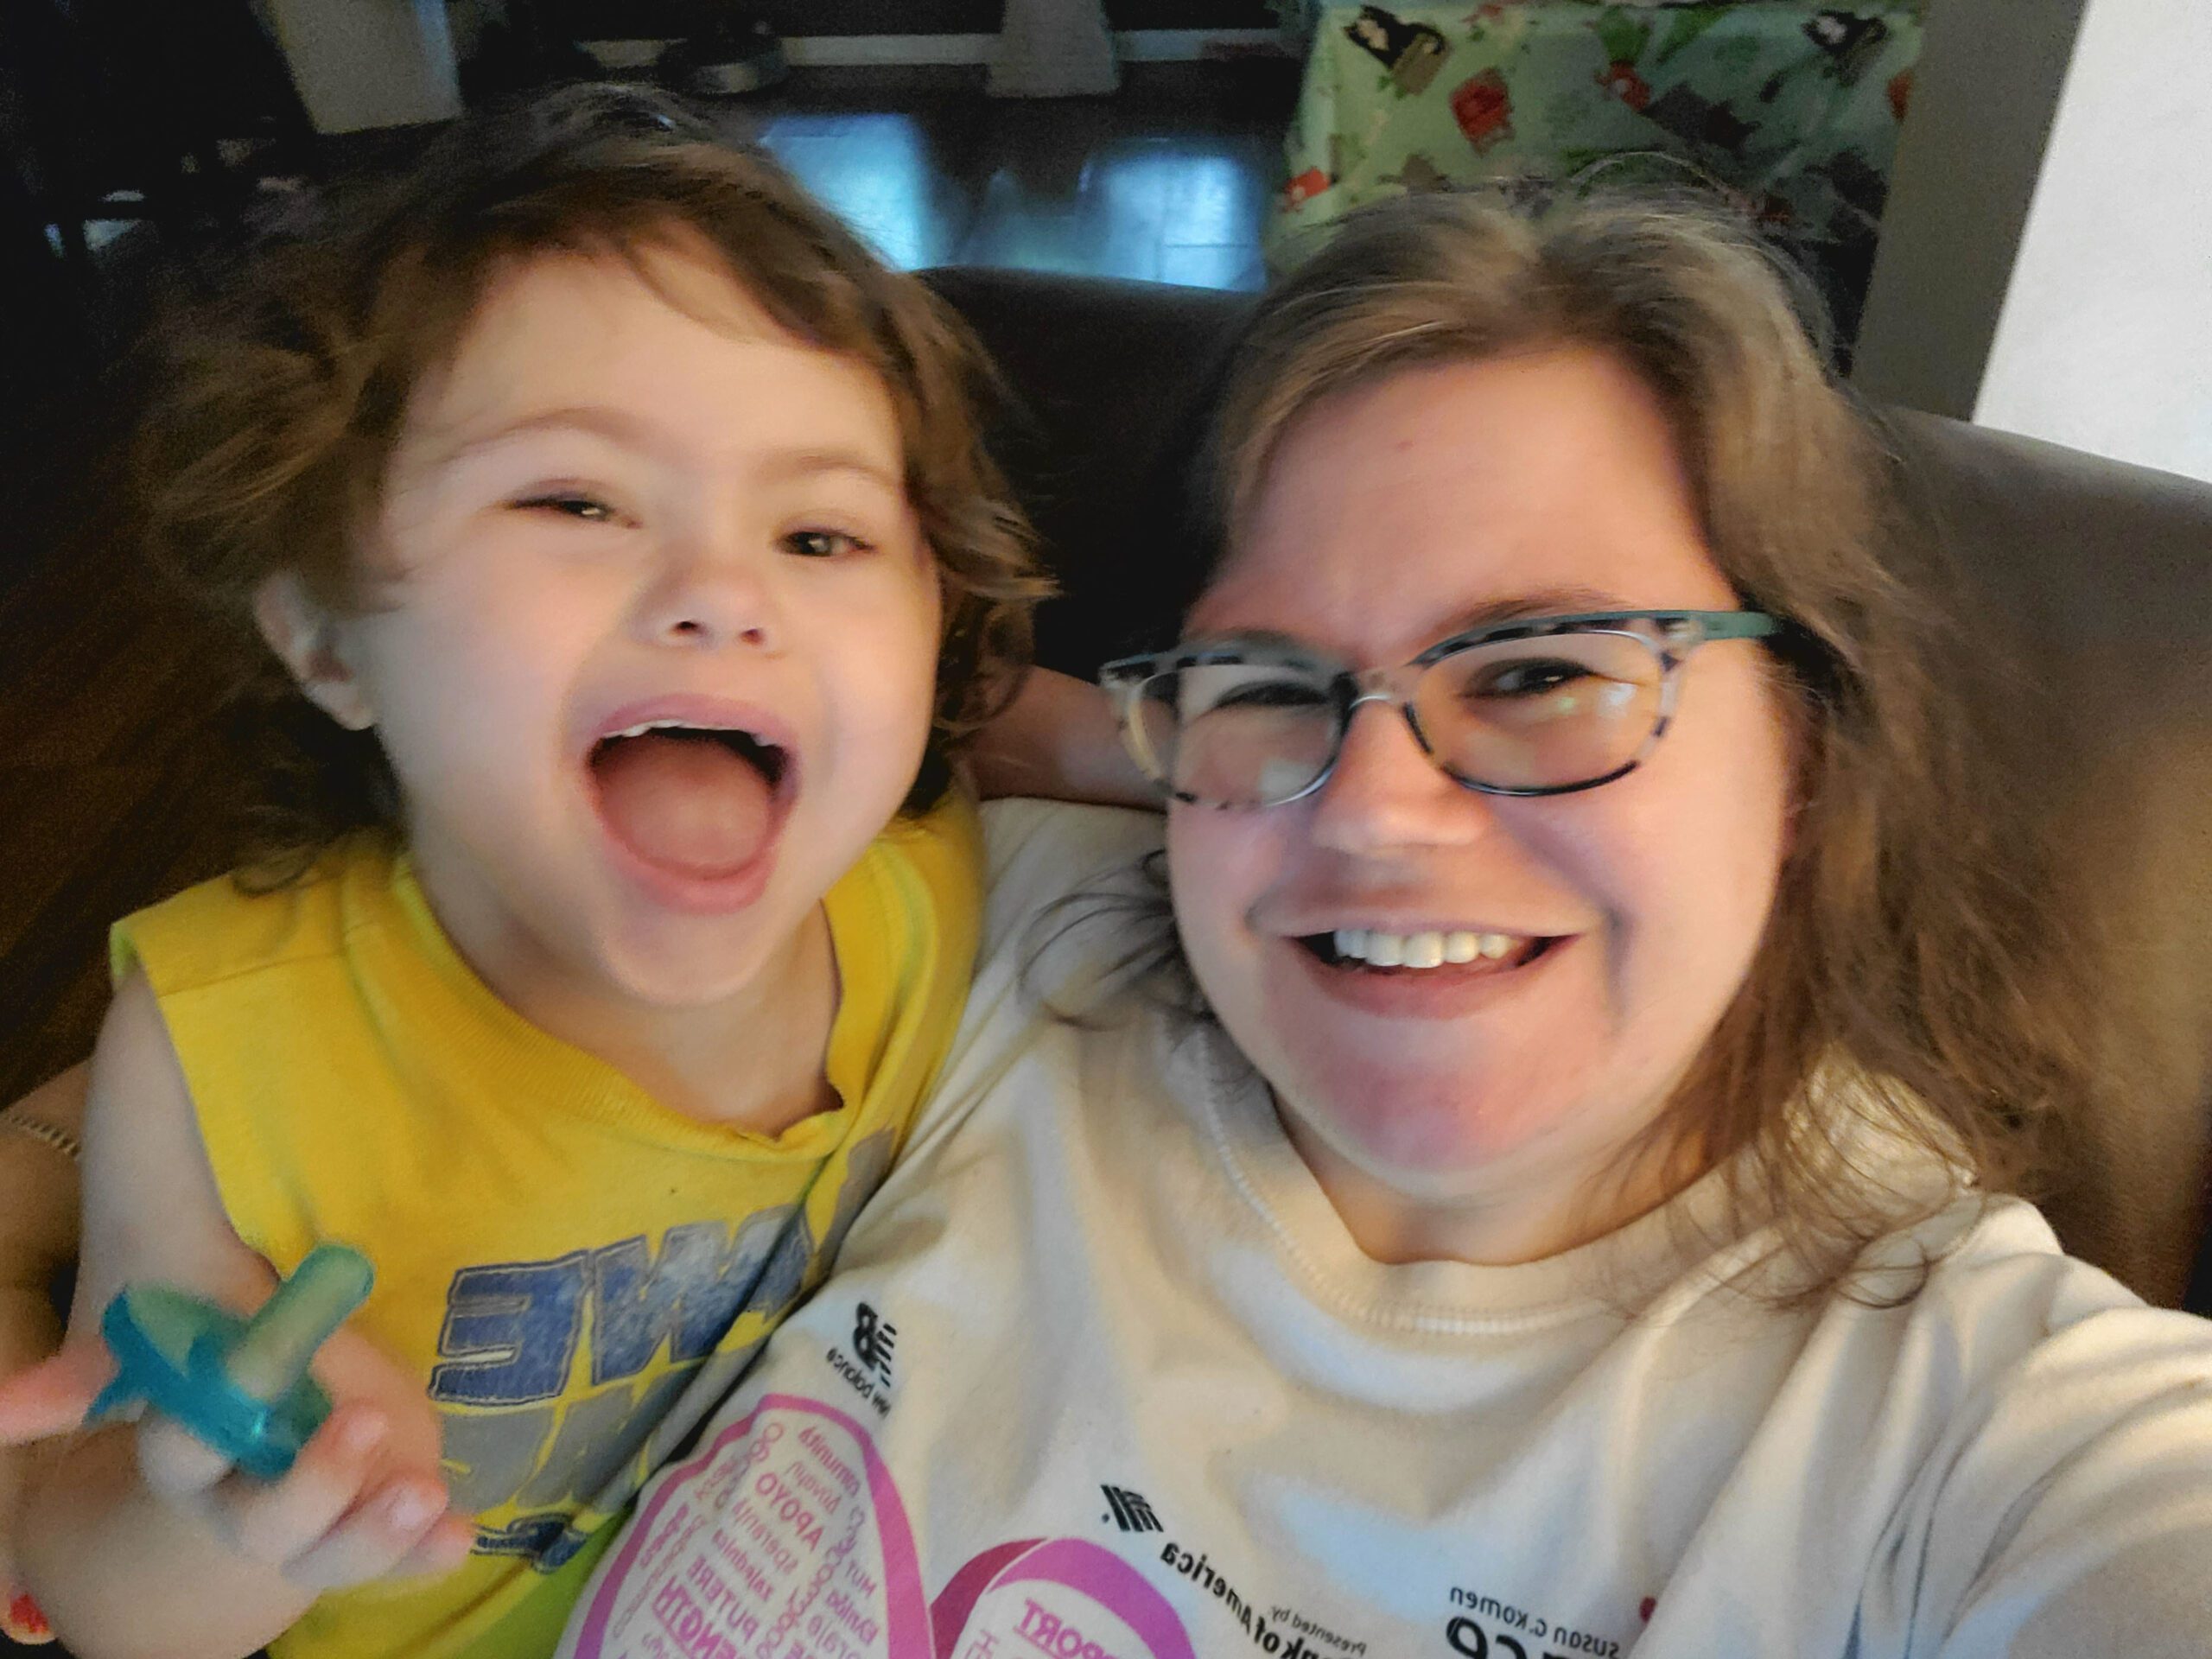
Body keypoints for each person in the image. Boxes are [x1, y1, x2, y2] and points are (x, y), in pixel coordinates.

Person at [545, 194, 2212, 1658]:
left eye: (1540, 672)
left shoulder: (1972, 1431)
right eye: (1271, 680)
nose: (1369, 812)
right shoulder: (1018, 940)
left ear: (1807, 751)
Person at [0, 84, 1048, 1659]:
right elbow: (100, 1590)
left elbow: (1030, 728)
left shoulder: (927, 885)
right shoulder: (225, 1058)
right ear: (326, 637)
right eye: (576, 499)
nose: (723, 594)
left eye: (819, 538)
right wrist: (228, 1515)